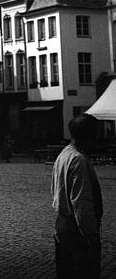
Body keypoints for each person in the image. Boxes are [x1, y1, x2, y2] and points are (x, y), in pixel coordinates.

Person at [52, 113, 103, 279]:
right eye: (95, 137)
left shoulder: (64, 155)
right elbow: (81, 203)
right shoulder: (78, 160)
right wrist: (91, 236)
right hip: (76, 230)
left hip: (63, 225)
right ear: (87, 137)